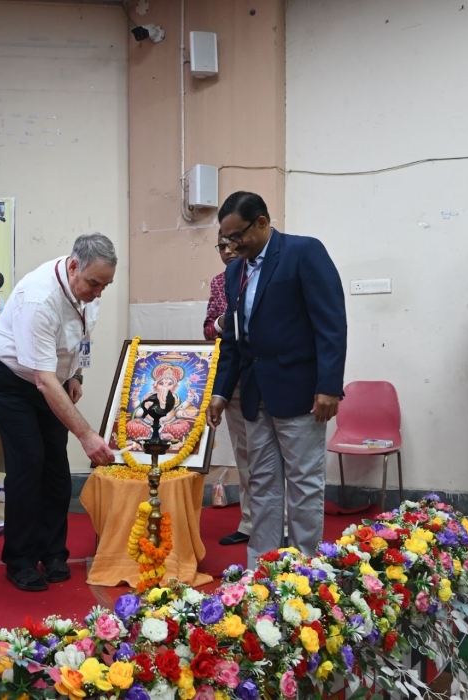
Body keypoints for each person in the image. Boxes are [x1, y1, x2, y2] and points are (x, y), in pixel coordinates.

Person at [206, 191, 347, 569]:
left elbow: (331, 324)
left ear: (262, 223)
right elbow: (233, 339)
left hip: (301, 393)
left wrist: (329, 386)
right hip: (254, 395)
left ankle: (304, 570)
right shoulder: (234, 272)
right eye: (226, 239)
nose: (232, 246)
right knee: (261, 483)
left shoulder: (304, 253)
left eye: (238, 236)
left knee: (304, 484)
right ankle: (263, 569)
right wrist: (221, 392)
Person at [0, 233, 116, 592]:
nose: (99, 292)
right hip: (10, 376)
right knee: (29, 462)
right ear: (73, 267)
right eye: (94, 283)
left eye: (105, 285)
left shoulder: (89, 291)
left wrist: (76, 375)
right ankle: (20, 560)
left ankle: (53, 552)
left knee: (56, 464)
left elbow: (82, 337)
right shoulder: (38, 298)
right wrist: (87, 435)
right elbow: (41, 379)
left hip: (51, 376)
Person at [203, 232, 252, 546]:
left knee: (274, 459)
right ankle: (249, 523)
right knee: (244, 455)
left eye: (232, 243)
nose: (227, 250)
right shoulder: (220, 282)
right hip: (232, 379)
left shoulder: (261, 276)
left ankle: (284, 522)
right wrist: (224, 321)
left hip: (266, 379)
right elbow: (209, 329)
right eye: (221, 246)